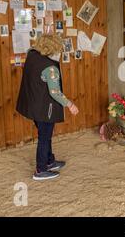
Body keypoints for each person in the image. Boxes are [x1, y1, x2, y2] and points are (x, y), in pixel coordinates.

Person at [16, 34, 79, 181]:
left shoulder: (31, 55)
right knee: (44, 137)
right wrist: (70, 105)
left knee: (46, 134)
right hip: (44, 107)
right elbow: (55, 93)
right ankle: (41, 169)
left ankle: (49, 160)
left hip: (33, 104)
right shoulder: (51, 68)